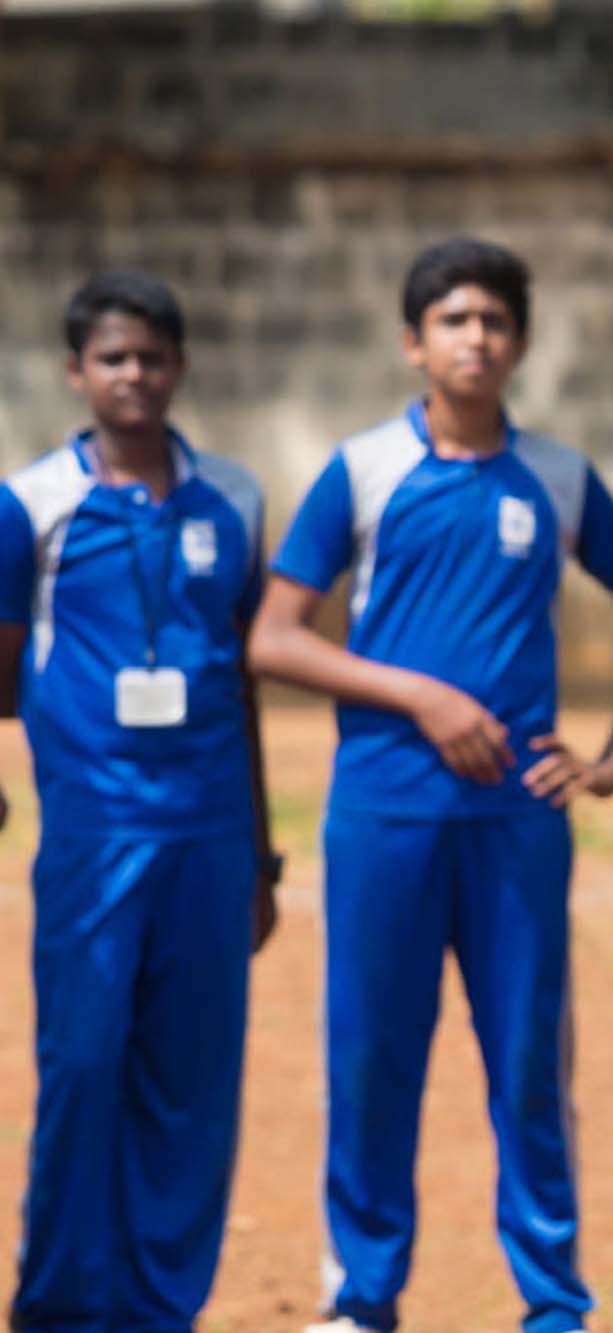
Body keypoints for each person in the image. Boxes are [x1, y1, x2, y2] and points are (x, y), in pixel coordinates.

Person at [248, 237, 613, 1333]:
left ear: (521, 342)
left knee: (528, 1061)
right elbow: (274, 638)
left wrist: (612, 756)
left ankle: (552, 1300)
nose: (476, 338)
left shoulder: (558, 477)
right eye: (454, 320)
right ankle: (361, 1295)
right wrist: (421, 697)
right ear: (412, 342)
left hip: (518, 820)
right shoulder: (364, 470)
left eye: (495, 321)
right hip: (383, 813)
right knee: (372, 1056)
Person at [1, 271, 279, 1331]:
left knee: (193, 1080)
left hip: (209, 830)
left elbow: (243, 679)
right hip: (95, 832)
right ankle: (62, 1303)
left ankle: (164, 1305)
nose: (135, 375)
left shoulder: (234, 499)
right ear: (75, 372)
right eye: (113, 358)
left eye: (153, 357)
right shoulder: (30, 505)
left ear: (181, 366)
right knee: (82, 1062)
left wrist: (260, 853)